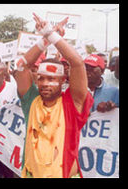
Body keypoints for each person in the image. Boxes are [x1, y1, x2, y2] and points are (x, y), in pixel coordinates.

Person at [15, 14, 94, 178]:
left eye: (51, 79)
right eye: (41, 78)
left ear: (63, 80)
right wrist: (44, 40)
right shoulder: (31, 101)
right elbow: (22, 66)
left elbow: (77, 63)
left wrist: (52, 34)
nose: (44, 83)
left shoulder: (72, 104)